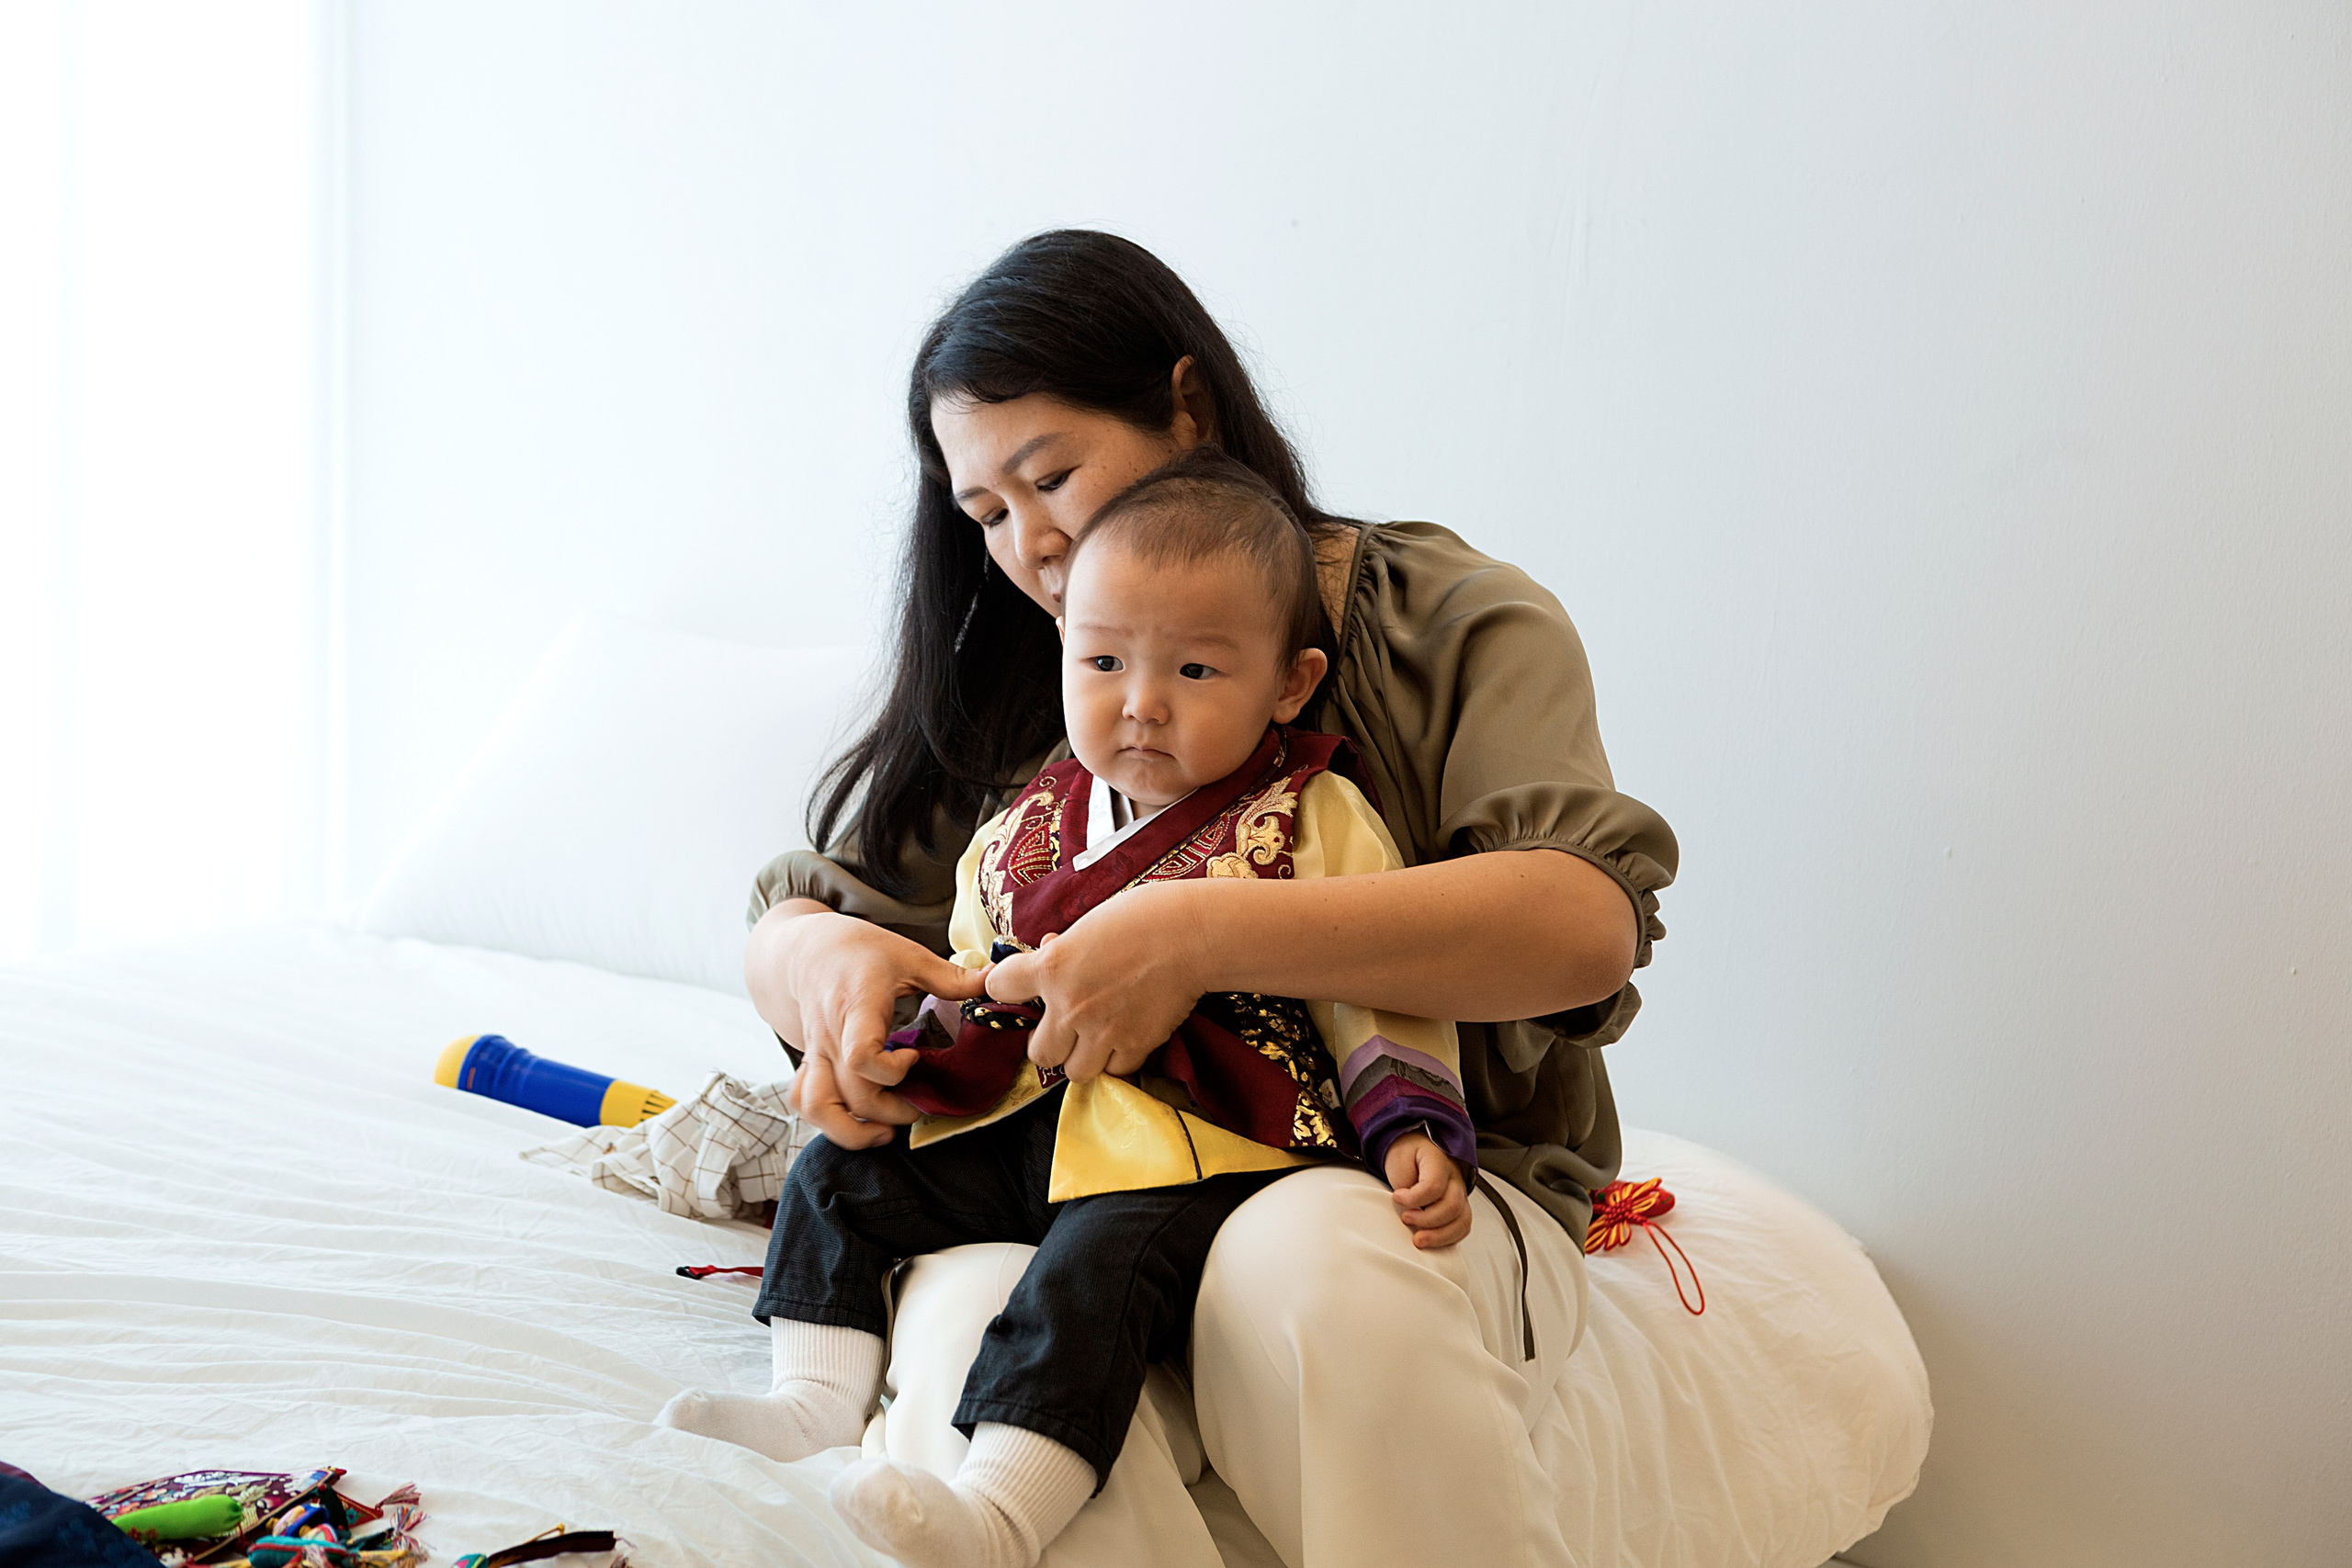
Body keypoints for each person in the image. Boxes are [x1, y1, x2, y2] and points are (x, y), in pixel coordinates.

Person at [720, 231, 1677, 1566]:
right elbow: (812, 909)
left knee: (1299, 1263)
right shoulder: (1041, 675)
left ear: (1188, 404)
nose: (1032, 544)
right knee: (967, 1325)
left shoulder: (1448, 619)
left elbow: (1579, 924)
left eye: (1050, 474)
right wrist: (826, 977)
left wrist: (1190, 929)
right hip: (1070, 1173)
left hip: (1409, 1179)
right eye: (985, 512)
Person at [663, 449, 1477, 1568]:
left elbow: (1378, 986)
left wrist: (1414, 1130)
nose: (1140, 704)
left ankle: (998, 1515)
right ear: (1062, 651)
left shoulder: (1313, 813)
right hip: (1034, 1112)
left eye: (1195, 672)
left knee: (1088, 1272)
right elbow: (966, 971)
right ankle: (812, 1403)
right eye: (1103, 660)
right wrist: (904, 1061)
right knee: (844, 1172)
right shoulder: (1020, 826)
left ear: (1288, 684)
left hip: (1204, 1142)